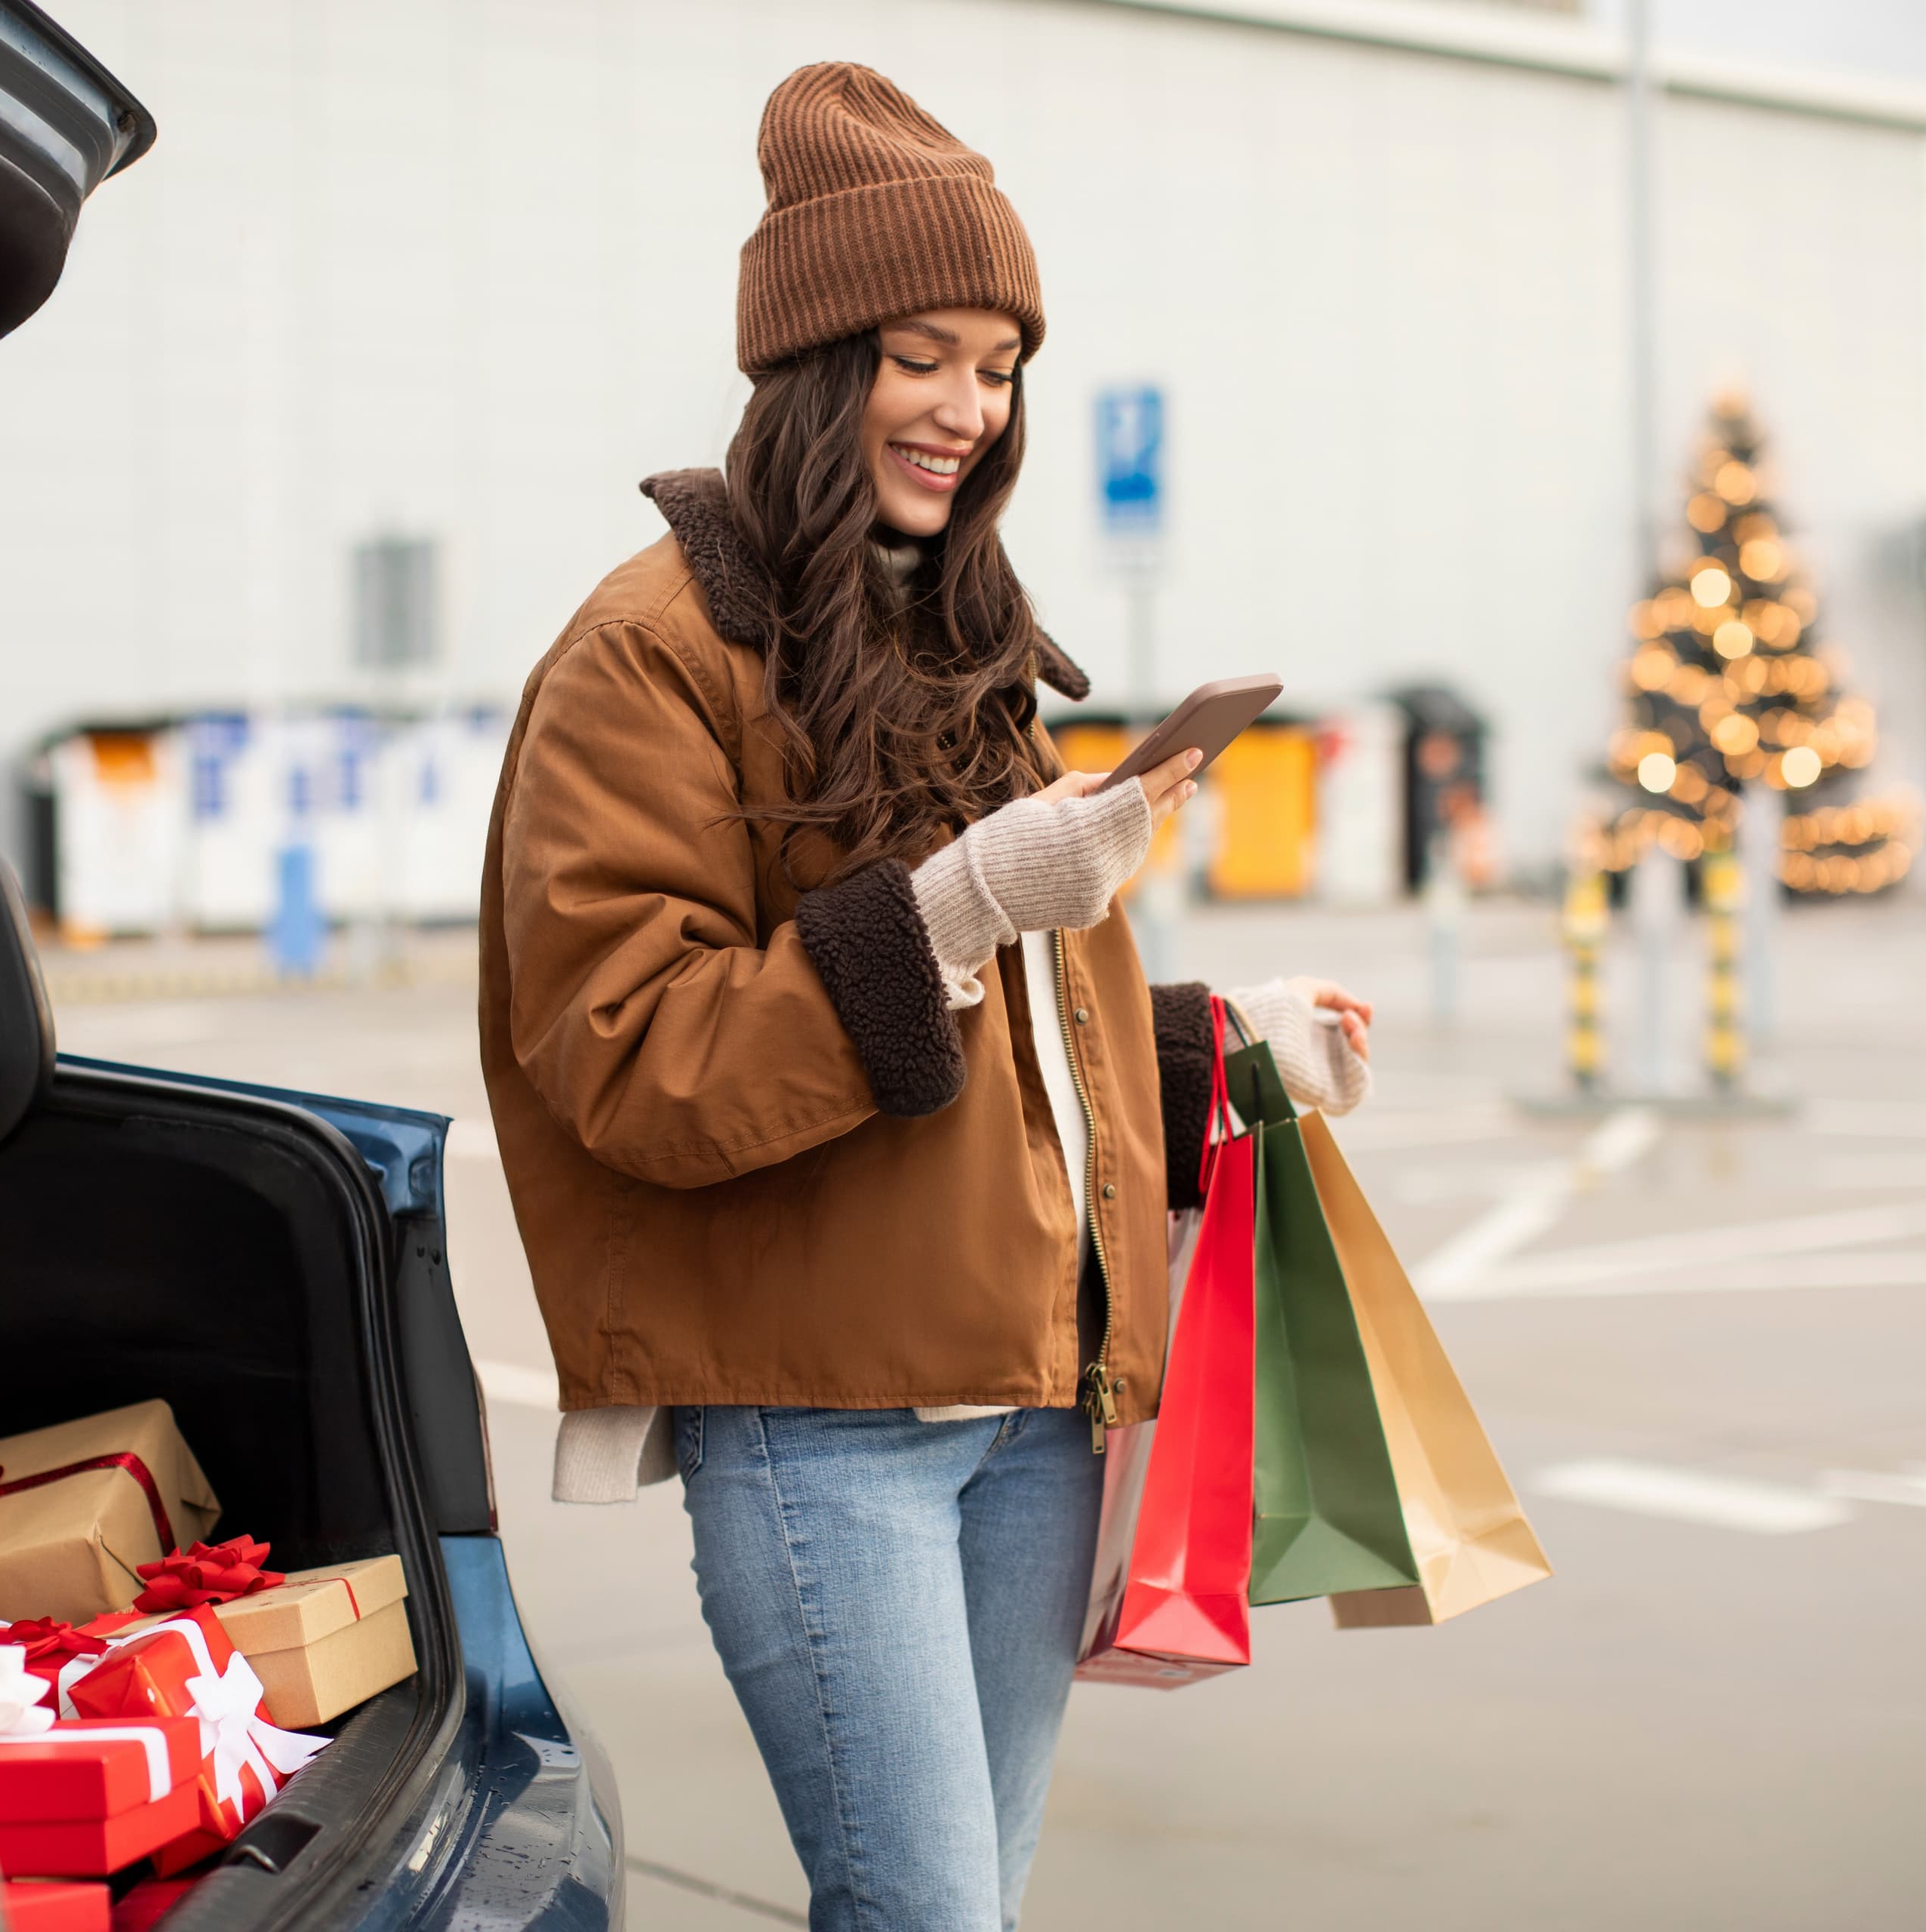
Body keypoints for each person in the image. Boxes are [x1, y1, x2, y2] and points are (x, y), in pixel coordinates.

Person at [477, 63, 1373, 1932]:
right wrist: (959, 896)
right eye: (923, 356)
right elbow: (633, 1059)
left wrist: (1212, 1041)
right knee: (927, 1914)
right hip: (827, 1430)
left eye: (1001, 364)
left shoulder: (953, 634)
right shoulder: (649, 655)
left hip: (1035, 1404)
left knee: (976, 1901)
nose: (971, 409)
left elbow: (1016, 1020)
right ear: (816, 366)